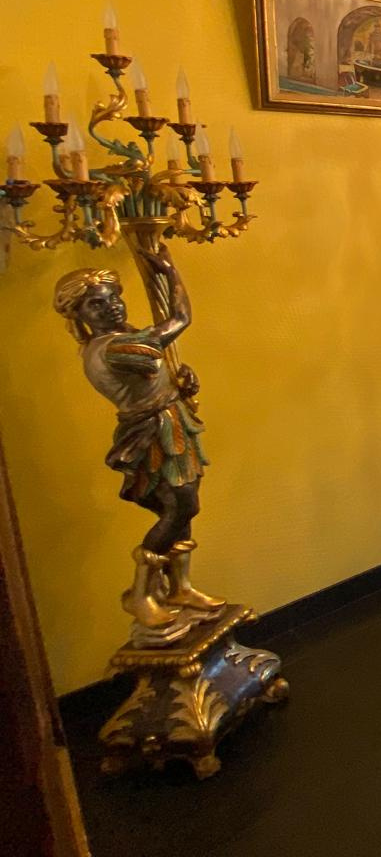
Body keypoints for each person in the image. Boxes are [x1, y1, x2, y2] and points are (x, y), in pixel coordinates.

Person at [54, 248, 223, 631]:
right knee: (180, 506)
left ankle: (180, 587)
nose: (112, 306)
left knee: (183, 505)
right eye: (97, 304)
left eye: (113, 297)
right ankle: (141, 592)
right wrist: (169, 269)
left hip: (172, 421)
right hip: (153, 432)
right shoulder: (113, 349)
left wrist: (179, 385)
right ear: (78, 314)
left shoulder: (123, 336)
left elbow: (154, 377)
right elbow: (180, 319)